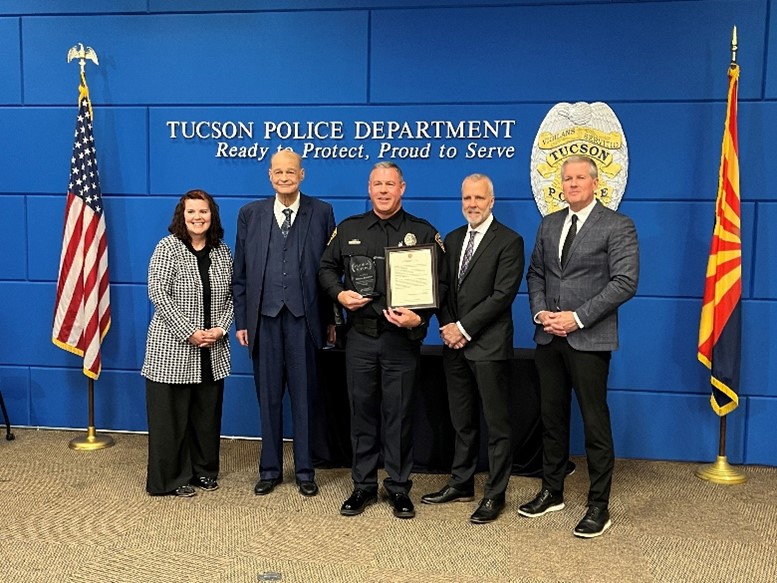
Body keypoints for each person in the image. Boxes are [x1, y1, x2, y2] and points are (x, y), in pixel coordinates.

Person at [518, 155, 639, 538]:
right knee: (551, 419)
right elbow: (535, 273)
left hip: (588, 337)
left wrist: (577, 317)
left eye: (579, 178)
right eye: (567, 178)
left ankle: (598, 506)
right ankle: (552, 491)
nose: (572, 184)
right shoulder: (550, 222)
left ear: (595, 183)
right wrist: (541, 315)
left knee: (594, 423)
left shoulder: (618, 225)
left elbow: (624, 282)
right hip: (548, 336)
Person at [318, 161, 444, 519]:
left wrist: (422, 317)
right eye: (377, 184)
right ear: (369, 188)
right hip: (360, 338)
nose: (384, 190)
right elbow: (325, 268)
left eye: (390, 184)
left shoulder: (422, 232)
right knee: (362, 414)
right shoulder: (349, 229)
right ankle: (363, 486)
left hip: (401, 341)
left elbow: (442, 283)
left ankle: (400, 488)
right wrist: (340, 295)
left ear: (402, 188)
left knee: (400, 414)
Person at [421, 174, 524, 524]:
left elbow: (502, 295)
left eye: (479, 198)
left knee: (497, 426)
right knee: (461, 421)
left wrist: (463, 328)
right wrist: (448, 327)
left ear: (491, 201)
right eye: (467, 198)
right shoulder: (451, 239)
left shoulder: (510, 241)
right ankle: (462, 483)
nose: (472, 204)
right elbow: (444, 289)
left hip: (489, 346)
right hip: (454, 347)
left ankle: (495, 494)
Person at [233, 149, 335, 497]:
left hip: (305, 319)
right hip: (264, 320)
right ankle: (270, 469)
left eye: (291, 172)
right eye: (278, 172)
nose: (284, 177)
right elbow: (240, 274)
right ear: (270, 175)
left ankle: (305, 471)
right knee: (269, 398)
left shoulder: (321, 212)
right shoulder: (250, 215)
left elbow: (331, 271)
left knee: (305, 398)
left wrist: (332, 319)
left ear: (301, 175)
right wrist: (243, 320)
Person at [142, 189, 234, 497]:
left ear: (212, 215)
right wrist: (189, 331)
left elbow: (235, 295)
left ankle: (204, 471)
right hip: (172, 349)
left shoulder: (222, 250)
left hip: (213, 348)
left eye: (203, 212)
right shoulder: (168, 247)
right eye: (191, 212)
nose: (198, 217)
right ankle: (170, 478)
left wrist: (221, 328)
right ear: (182, 215)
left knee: (206, 416)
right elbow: (158, 293)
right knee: (172, 420)